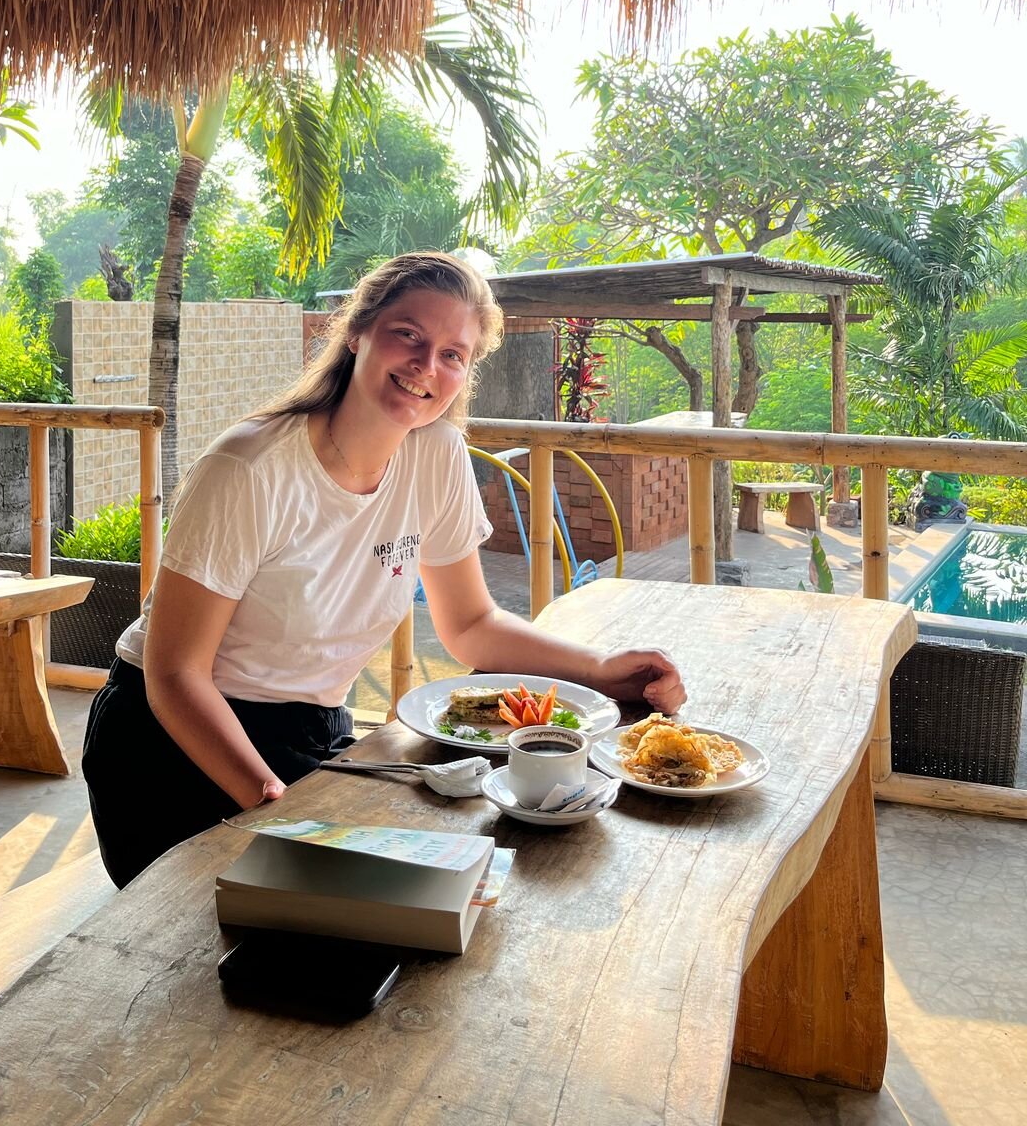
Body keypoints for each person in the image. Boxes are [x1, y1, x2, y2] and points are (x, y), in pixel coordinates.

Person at [82, 251, 685, 886]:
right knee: (238, 933)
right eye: (408, 335)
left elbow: (471, 624)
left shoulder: (437, 454)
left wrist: (599, 670)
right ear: (356, 333)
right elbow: (176, 674)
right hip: (174, 742)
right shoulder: (250, 468)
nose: (427, 366)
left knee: (463, 884)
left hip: (313, 727)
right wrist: (274, 808)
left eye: (453, 354)